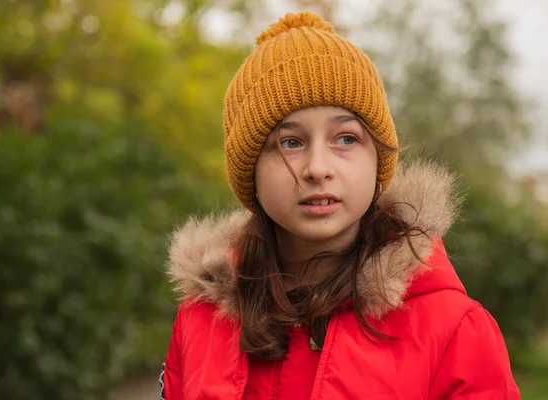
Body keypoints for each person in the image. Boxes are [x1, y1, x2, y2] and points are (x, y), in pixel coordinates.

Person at [160, 11, 520, 399]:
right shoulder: (200, 320)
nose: (317, 168)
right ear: (251, 175)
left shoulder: (454, 329)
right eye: (290, 142)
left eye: (346, 138)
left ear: (378, 161)